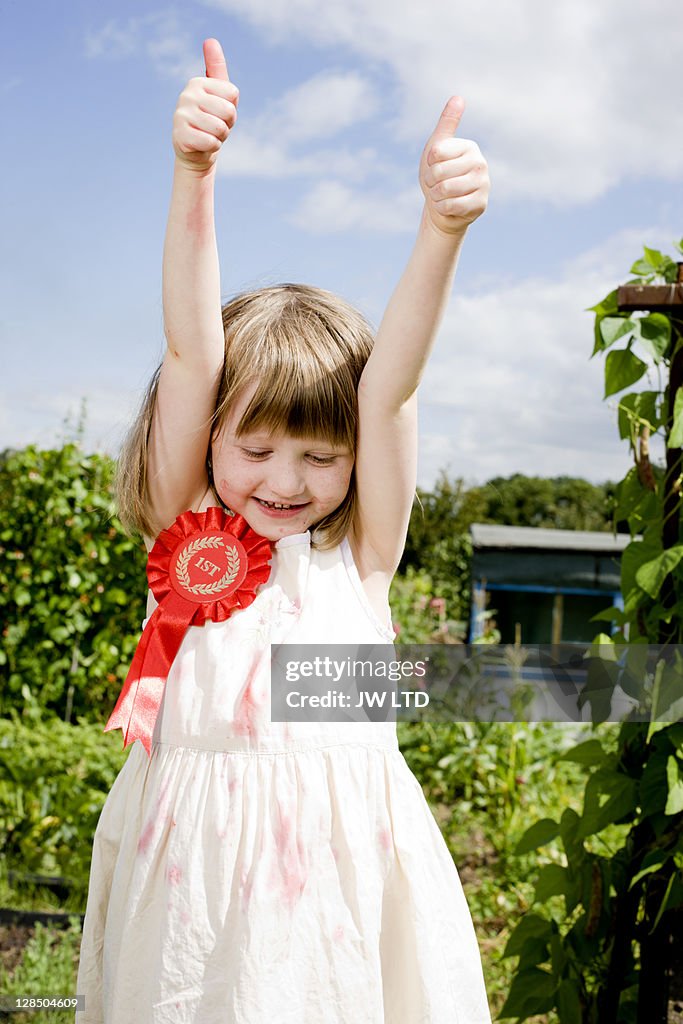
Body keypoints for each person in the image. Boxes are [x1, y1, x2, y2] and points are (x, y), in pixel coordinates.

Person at [76, 36, 492, 1024]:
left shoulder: (362, 558)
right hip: (192, 890)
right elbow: (190, 348)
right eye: (257, 446)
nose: (287, 479)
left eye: (319, 454)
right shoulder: (191, 541)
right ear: (212, 433)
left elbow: (389, 389)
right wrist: (193, 174)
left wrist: (439, 229)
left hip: (334, 906)